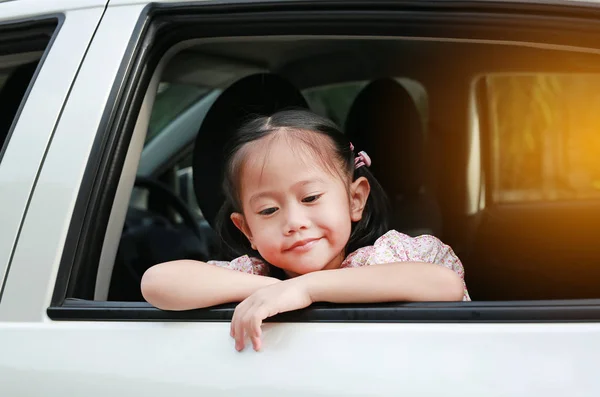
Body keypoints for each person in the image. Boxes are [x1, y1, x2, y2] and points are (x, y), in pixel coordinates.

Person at [141, 109, 470, 352]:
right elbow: (158, 283)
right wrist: (272, 288)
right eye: (269, 210)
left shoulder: (393, 257)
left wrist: (305, 289)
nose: (294, 222)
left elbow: (444, 284)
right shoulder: (254, 274)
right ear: (247, 230)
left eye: (311, 197)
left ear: (355, 200)